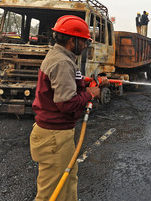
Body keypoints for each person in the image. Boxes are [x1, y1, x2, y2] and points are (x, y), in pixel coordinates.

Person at [30, 15, 101, 201]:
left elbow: (64, 84)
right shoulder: (62, 62)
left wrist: (83, 83)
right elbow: (67, 104)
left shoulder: (62, 56)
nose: (86, 45)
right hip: (54, 137)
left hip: (59, 136)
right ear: (72, 40)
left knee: (68, 184)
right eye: (84, 41)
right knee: (51, 194)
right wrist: (91, 93)